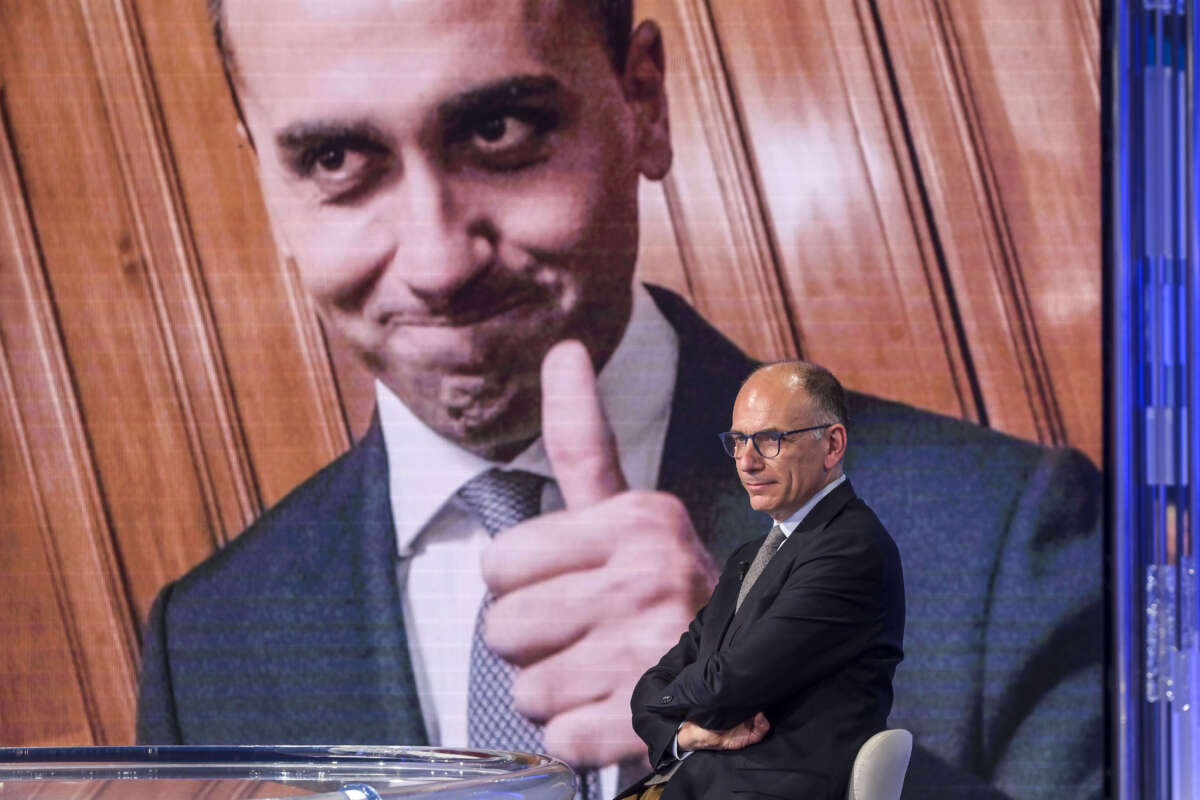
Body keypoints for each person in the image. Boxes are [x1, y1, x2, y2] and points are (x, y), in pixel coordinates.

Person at [136, 1, 1104, 798]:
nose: (436, 262)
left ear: (644, 101)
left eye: (499, 130)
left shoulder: (1006, 542)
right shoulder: (205, 643)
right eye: (336, 161)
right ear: (264, 170)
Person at [622, 361, 904, 800]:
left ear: (832, 445)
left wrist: (666, 702)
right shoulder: (748, 557)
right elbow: (668, 675)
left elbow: (728, 684)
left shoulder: (851, 549)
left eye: (770, 439)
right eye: (738, 440)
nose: (747, 462)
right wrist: (683, 733)